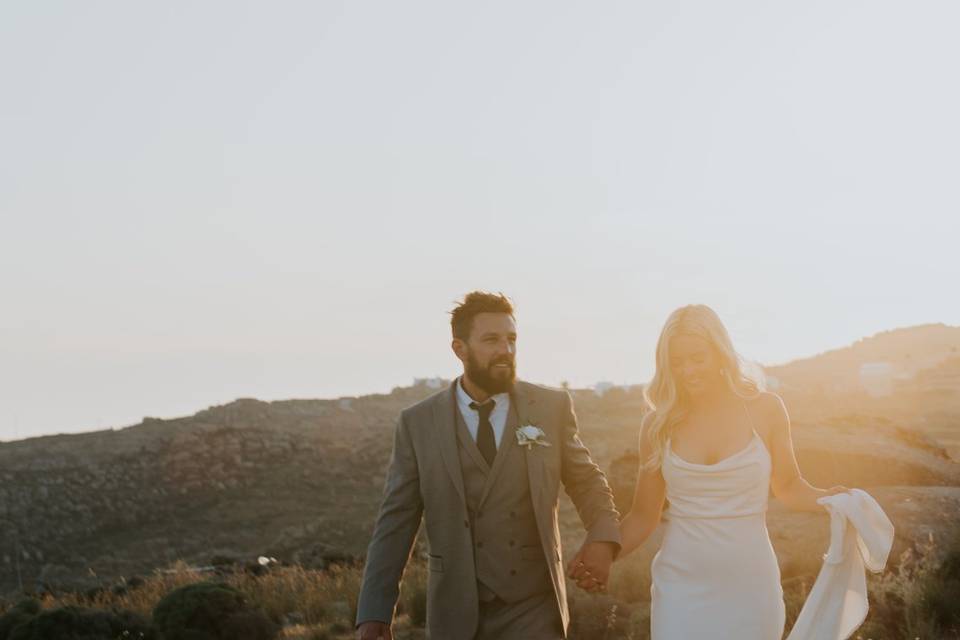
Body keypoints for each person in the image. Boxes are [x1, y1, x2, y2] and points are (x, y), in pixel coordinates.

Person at [356, 291, 621, 640]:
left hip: (534, 607)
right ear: (459, 349)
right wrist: (374, 611)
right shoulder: (417, 423)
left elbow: (588, 482)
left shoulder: (550, 407)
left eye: (511, 339)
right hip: (455, 610)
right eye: (491, 340)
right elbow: (396, 521)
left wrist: (602, 539)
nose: (505, 350)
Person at [572, 304, 848, 639]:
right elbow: (644, 516)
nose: (687, 370)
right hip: (681, 588)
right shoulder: (656, 425)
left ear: (719, 353)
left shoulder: (766, 409)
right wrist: (603, 552)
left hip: (752, 587)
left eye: (697, 358)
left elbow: (789, 486)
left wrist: (831, 500)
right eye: (676, 362)